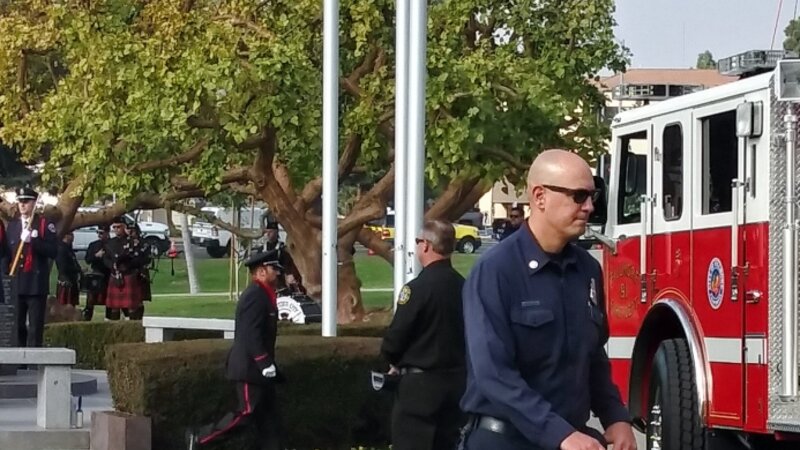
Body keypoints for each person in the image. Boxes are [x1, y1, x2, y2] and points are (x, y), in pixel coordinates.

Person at [459, 149, 636, 450]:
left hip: (571, 440)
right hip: (505, 440)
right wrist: (559, 433)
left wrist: (615, 417)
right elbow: (494, 373)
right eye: (578, 196)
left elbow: (592, 358)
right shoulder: (496, 270)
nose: (589, 207)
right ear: (539, 197)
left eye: (593, 196)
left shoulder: (587, 269)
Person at [380, 219, 467, 450]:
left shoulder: (417, 289)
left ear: (426, 245)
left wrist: (391, 359)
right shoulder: (464, 286)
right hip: (456, 383)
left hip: (420, 388)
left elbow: (396, 338)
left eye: (418, 242)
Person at [187, 248, 284, 450]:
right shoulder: (255, 296)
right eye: (273, 268)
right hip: (250, 369)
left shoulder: (264, 295)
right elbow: (250, 333)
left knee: (269, 420)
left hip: (259, 371)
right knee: (246, 414)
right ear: (261, 271)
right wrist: (264, 362)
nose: (278, 273)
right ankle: (200, 438)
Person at [4, 186, 57, 347]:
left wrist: (34, 241)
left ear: (34, 203)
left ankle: (34, 362)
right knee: (17, 326)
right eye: (20, 202)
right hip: (17, 282)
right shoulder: (13, 226)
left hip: (35, 284)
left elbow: (53, 251)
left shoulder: (43, 225)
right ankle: (19, 363)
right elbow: (7, 253)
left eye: (26, 202)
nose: (22, 205)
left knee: (35, 327)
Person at [104, 217, 148, 320]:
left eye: (118, 227)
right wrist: (112, 266)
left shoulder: (132, 242)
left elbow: (138, 259)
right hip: (114, 275)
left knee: (131, 306)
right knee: (114, 307)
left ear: (124, 227)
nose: (116, 229)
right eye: (114, 227)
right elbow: (105, 258)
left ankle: (132, 328)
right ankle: (115, 330)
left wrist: (126, 266)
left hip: (128, 274)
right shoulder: (110, 243)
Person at [262, 221, 303, 293]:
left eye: (270, 232)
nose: (268, 234)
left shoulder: (282, 249)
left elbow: (287, 264)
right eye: (267, 232)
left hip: (279, 281)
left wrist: (288, 275)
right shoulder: (262, 249)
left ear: (276, 232)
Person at [83, 224, 112, 321]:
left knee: (109, 300)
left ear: (107, 233)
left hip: (108, 275)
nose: (99, 235)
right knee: (91, 300)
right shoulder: (93, 245)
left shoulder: (112, 244)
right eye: (98, 233)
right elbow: (87, 259)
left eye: (101, 233)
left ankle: (109, 318)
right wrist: (96, 255)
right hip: (96, 276)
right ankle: (87, 318)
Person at [55, 231, 82, 307]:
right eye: (71, 235)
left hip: (72, 279)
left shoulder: (68, 248)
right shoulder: (61, 249)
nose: (73, 237)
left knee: (72, 306)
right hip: (66, 280)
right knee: (64, 306)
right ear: (66, 236)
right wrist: (77, 269)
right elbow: (63, 267)